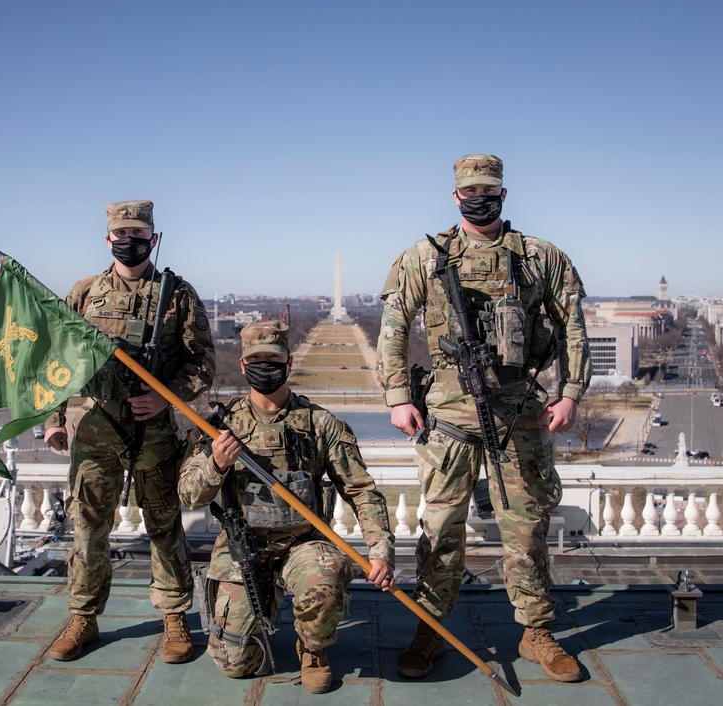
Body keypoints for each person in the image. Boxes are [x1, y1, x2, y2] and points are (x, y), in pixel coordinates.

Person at [377, 154, 592, 683]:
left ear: (503, 193)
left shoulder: (543, 258)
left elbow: (573, 330)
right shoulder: (423, 258)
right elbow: (394, 327)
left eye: (489, 189)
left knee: (526, 527)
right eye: (470, 190)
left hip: (518, 409)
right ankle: (431, 629)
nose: (479, 198)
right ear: (455, 196)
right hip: (449, 416)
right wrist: (398, 396)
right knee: (442, 527)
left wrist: (570, 393)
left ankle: (537, 629)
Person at [179, 320, 394, 694]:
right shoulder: (220, 426)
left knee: (324, 581)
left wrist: (380, 550)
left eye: (273, 359)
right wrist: (215, 464)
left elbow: (361, 490)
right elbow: (188, 496)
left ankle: (312, 648)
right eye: (256, 360)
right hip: (245, 545)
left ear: (289, 363)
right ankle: (261, 605)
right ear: (244, 366)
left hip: (303, 544)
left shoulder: (321, 424)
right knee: (236, 665)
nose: (265, 366)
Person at [43, 200, 216, 664]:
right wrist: (54, 419)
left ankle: (175, 616)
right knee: (88, 529)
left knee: (163, 527)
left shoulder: (177, 294)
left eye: (139, 234)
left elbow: (204, 363)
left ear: (153, 239)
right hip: (93, 431)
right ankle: (83, 616)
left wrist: (168, 396)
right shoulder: (84, 292)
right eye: (121, 234)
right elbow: (57, 360)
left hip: (152, 432)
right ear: (107, 239)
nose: (130, 241)